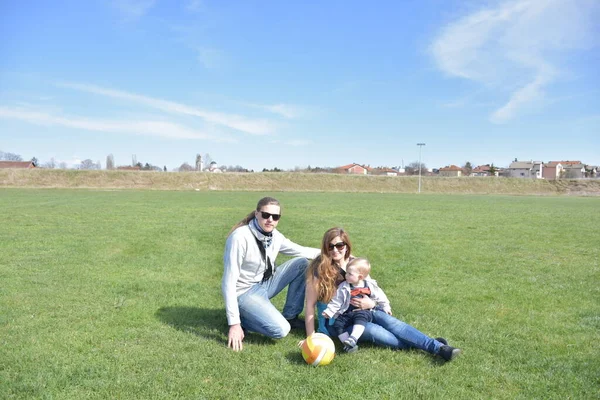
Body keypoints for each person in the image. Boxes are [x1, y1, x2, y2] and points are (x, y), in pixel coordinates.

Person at [305, 227, 461, 361]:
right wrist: (311, 337)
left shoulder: (355, 263)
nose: (335, 250)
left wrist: (372, 304)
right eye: (330, 246)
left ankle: (440, 349)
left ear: (346, 245)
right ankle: (431, 344)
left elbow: (373, 289)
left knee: (394, 324)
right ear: (325, 247)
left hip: (366, 310)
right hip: (340, 322)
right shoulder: (319, 269)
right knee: (378, 333)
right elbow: (310, 306)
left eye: (339, 245)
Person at [222, 196, 320, 351]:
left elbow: (302, 250)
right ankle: (242, 319)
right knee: (281, 330)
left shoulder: (275, 236)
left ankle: (291, 316)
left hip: (264, 283)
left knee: (302, 263)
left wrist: (334, 254)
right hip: (244, 292)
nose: (270, 220)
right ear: (256, 214)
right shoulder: (240, 237)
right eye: (266, 215)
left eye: (275, 217)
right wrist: (234, 324)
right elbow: (228, 282)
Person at [322, 257, 392, 353]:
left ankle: (353, 338)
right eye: (346, 272)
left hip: (362, 311)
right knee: (338, 324)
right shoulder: (344, 286)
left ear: (360, 277)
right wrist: (329, 311)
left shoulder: (369, 285)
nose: (346, 275)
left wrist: (386, 306)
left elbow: (380, 296)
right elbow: (337, 300)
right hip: (347, 313)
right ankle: (348, 345)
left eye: (350, 274)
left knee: (360, 318)